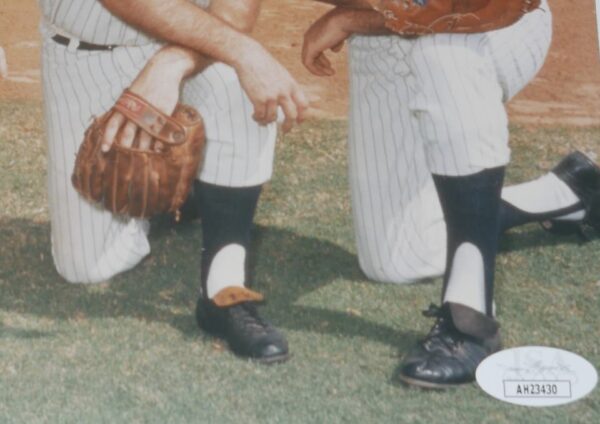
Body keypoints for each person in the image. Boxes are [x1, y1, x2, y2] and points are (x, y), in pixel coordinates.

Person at [301, 1, 600, 387]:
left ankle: (470, 318)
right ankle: (566, 191)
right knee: (397, 261)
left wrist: (346, 19)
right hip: (383, 36)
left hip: (490, 23)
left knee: (442, 47)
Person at [37, 0, 309, 364]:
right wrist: (242, 48)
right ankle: (183, 195)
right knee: (87, 267)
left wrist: (171, 62)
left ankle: (223, 287)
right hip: (88, 53)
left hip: (192, 52)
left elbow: (238, 8)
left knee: (239, 84)